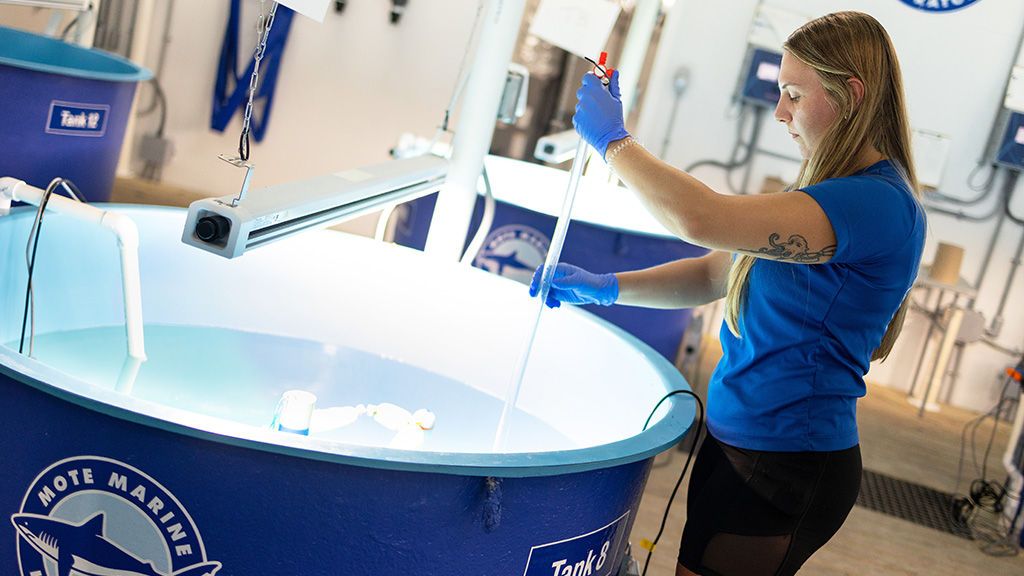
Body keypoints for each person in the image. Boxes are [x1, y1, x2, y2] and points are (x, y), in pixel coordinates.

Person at [529, 11, 927, 576]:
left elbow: (702, 217)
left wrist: (614, 144)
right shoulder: (825, 192)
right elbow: (716, 273)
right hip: (739, 443)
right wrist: (605, 288)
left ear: (852, 94)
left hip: (787, 461)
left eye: (793, 93)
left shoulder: (877, 204)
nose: (780, 111)